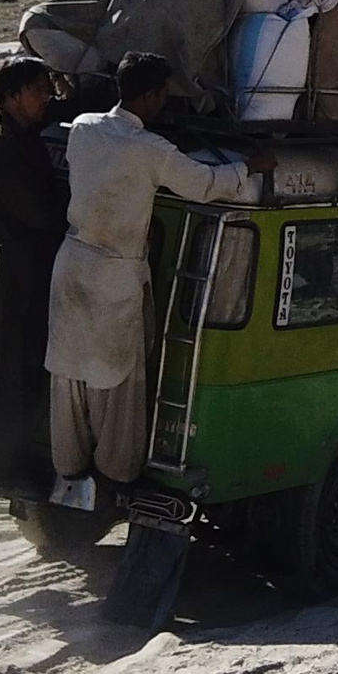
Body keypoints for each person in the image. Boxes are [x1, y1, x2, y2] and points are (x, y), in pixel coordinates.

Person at [46, 52, 269, 487]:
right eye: (162, 95)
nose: (164, 103)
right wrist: (249, 166)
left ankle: (68, 464)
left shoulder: (85, 129)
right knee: (117, 379)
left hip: (71, 264)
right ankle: (116, 472)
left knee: (69, 370)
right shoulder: (151, 150)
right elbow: (204, 185)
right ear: (149, 96)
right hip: (115, 273)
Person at [0, 55, 68, 480]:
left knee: (28, 369)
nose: (45, 98)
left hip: (26, 270)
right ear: (11, 97)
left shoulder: (19, 131)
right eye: (37, 91)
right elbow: (40, 214)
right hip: (17, 276)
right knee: (15, 373)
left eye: (48, 89)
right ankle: (2, 466)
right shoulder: (1, 147)